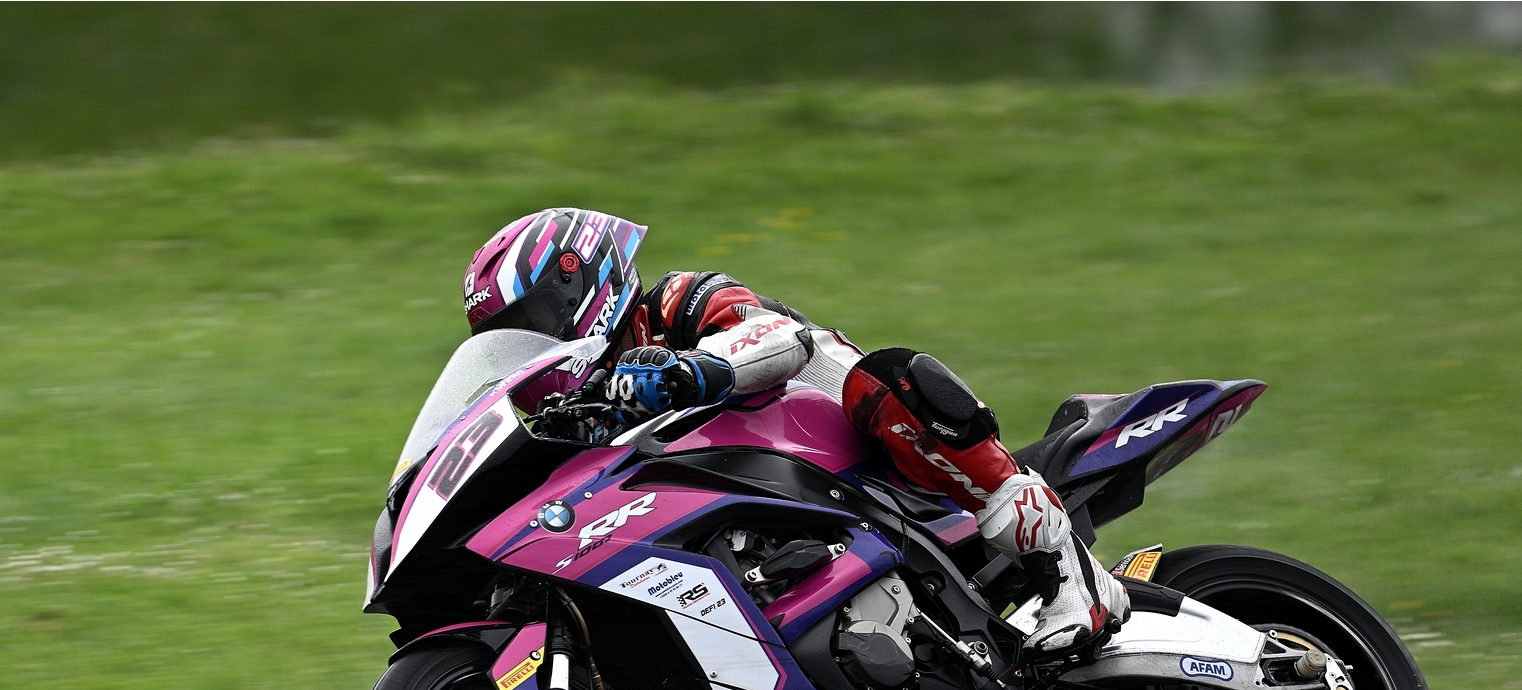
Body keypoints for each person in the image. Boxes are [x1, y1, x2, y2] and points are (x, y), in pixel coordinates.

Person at [462, 207, 1126, 653]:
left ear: (581, 281)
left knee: (887, 377)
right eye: (510, 339)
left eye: (534, 321)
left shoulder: (674, 301)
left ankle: (1072, 576)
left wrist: (690, 373)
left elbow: (776, 337)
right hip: (761, 514)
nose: (531, 346)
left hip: (866, 460)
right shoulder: (580, 403)